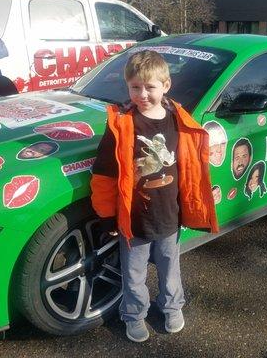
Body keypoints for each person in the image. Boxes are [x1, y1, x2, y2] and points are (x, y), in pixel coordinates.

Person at [90, 50, 218, 343]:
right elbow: (105, 175)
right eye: (135, 87)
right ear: (128, 87)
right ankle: (133, 315)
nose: (142, 94)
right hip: (132, 220)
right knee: (133, 273)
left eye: (150, 87)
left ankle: (171, 306)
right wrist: (107, 214)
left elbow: (191, 170)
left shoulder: (179, 121)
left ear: (166, 86)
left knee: (169, 266)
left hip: (169, 216)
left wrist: (192, 208)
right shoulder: (121, 125)